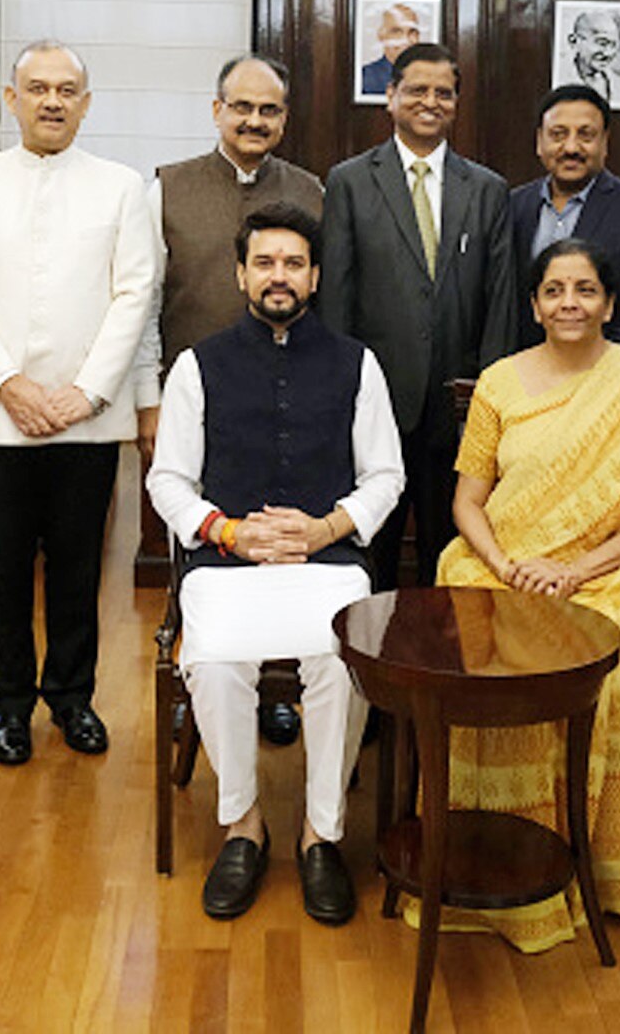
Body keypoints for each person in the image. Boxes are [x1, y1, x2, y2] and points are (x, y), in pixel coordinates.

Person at [424, 236, 620, 950]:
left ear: (608, 303)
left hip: (615, 573)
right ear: (534, 305)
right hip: (502, 567)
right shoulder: (500, 383)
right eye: (555, 291)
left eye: (585, 290)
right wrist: (507, 563)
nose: (569, 303)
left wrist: (579, 570)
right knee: (487, 668)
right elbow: (468, 502)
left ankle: (605, 866)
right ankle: (498, 854)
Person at [147, 203, 404, 924]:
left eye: (293, 263)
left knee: (341, 661)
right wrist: (227, 532)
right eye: (264, 263)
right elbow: (168, 481)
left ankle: (322, 833)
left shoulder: (357, 364)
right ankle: (244, 825)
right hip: (225, 563)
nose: (279, 276)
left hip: (329, 563)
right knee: (216, 662)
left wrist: (326, 529)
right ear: (241, 275)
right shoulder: (198, 366)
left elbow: (385, 475)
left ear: (315, 276)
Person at [0, 40, 156, 767]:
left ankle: (72, 695)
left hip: (86, 418)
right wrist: (8, 383)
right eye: (38, 88)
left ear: (85, 105)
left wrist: (87, 392)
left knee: (77, 567)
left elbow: (135, 294)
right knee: (3, 569)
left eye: (66, 90)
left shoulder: (121, 187)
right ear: (12, 99)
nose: (52, 101)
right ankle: (9, 703)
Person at [135, 53, 323, 747]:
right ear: (217, 111)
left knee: (278, 545)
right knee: (200, 548)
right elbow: (142, 301)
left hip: (288, 404)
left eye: (268, 109)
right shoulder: (165, 188)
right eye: (241, 107)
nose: (253, 120)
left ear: (284, 119)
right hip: (191, 405)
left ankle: (276, 683)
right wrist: (147, 398)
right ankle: (203, 679)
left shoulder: (311, 191)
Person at [320, 42, 516, 589]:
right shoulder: (350, 182)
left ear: (456, 103)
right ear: (390, 96)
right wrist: (342, 394)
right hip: (375, 403)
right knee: (371, 550)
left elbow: (501, 303)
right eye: (417, 90)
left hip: (460, 410)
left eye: (444, 93)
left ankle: (444, 645)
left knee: (450, 553)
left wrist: (490, 401)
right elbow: (335, 298)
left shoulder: (488, 190)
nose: (431, 101)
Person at [512, 84, 620, 354]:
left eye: (585, 135)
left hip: (609, 372)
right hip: (526, 371)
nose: (571, 147)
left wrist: (588, 364)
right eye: (558, 134)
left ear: (605, 141)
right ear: (539, 141)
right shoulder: (513, 205)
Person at [567, 10, 620, 102]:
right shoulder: (560, 82)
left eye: (613, 45)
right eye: (602, 43)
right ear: (574, 41)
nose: (608, 53)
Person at [360, 2, 421, 96]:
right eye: (397, 32)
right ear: (381, 36)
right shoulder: (365, 77)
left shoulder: (428, 77)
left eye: (412, 32)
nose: (406, 40)